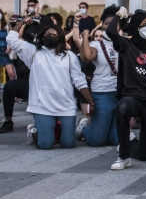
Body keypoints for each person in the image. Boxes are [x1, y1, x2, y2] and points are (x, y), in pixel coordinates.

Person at [6, 17, 94, 149]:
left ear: (60, 38)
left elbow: (79, 81)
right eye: (48, 35)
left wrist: (91, 102)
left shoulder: (69, 56)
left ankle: (51, 129)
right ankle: (33, 130)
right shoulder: (33, 52)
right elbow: (11, 39)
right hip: (42, 105)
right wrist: (23, 22)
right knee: (46, 144)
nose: (51, 37)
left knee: (68, 144)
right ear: (42, 37)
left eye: (55, 35)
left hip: (66, 106)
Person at [106, 8, 146, 170]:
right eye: (144, 24)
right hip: (133, 97)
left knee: (144, 155)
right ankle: (124, 157)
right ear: (135, 27)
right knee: (123, 108)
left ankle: (129, 142)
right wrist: (119, 15)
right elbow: (111, 31)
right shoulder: (126, 45)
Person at [74, 5, 120, 147]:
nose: (110, 26)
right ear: (102, 26)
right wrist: (86, 36)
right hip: (102, 94)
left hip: (120, 94)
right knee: (97, 141)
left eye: (114, 24)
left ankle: (104, 130)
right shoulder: (96, 44)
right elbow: (87, 56)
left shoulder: (124, 42)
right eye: (106, 23)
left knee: (116, 141)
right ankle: (84, 128)